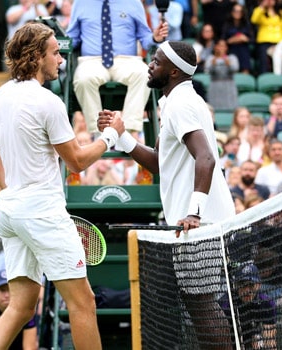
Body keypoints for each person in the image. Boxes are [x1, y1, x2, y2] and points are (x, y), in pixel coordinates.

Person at [0, 22, 125, 350]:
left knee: (20, 305)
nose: (60, 60)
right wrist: (111, 135)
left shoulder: (1, 95)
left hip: (10, 212)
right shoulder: (48, 102)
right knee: (83, 303)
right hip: (41, 212)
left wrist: (12, 193)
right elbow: (76, 161)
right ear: (35, 57)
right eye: (55, 53)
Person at [99, 40, 235, 348]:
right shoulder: (173, 102)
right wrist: (122, 138)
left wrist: (194, 211)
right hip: (197, 222)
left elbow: (206, 158)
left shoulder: (181, 104)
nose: (149, 64)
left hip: (202, 222)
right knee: (197, 302)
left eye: (156, 62)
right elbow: (161, 162)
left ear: (173, 72)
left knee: (201, 303)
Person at [67, 0, 168, 136]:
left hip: (126, 60)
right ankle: (99, 135)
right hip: (92, 60)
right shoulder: (80, 3)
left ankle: (127, 134)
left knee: (143, 74)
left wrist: (155, 38)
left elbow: (145, 39)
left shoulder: (134, 3)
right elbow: (72, 39)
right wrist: (58, 41)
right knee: (84, 78)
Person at [219, 263, 277, 349]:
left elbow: (270, 341)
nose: (247, 290)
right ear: (235, 285)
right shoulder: (225, 305)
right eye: (243, 284)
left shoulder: (267, 304)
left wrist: (255, 335)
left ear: (258, 285)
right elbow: (220, 340)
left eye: (251, 285)